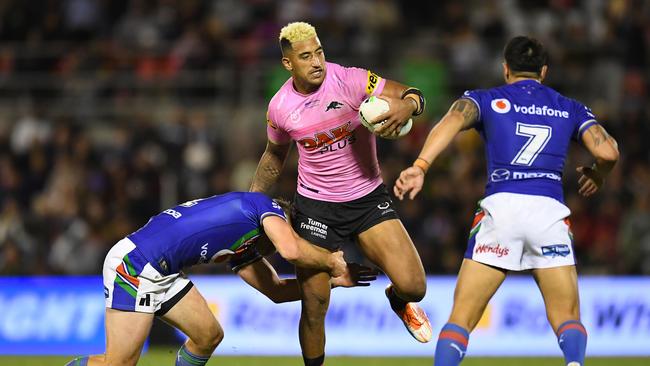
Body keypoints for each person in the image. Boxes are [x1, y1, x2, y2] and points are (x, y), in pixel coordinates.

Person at [394, 36, 619, 366]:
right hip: (548, 213)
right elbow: (608, 151)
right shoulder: (569, 106)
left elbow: (452, 121)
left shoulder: (485, 99)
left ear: (505, 69)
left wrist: (420, 166)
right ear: (543, 71)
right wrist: (599, 173)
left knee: (462, 318)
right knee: (566, 316)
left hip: (502, 210)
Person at [249, 21, 432, 366]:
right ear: (288, 64)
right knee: (314, 306)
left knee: (414, 287)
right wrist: (250, 202)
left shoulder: (351, 79)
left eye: (319, 51)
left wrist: (407, 106)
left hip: (367, 199)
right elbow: (274, 156)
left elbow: (412, 94)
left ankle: (397, 299)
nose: (317, 61)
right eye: (306, 56)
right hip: (316, 209)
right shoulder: (280, 107)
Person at [65, 191, 377, 366]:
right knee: (119, 365)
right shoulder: (264, 206)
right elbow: (291, 249)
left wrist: (336, 282)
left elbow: (277, 291)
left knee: (208, 335)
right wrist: (332, 263)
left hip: (164, 271)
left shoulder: (246, 246)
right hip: (136, 265)